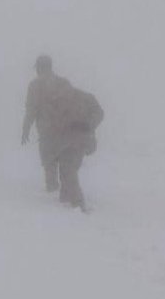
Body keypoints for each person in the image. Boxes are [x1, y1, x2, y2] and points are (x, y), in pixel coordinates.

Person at [21, 55, 104, 210]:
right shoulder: (64, 82)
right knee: (68, 166)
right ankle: (65, 199)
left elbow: (31, 109)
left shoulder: (35, 85)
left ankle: (69, 202)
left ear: (39, 68)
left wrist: (26, 128)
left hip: (51, 133)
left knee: (54, 166)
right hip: (74, 132)